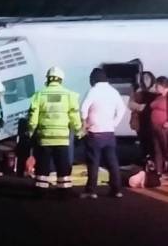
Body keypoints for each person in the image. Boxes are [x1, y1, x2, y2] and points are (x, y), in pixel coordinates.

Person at [28, 66, 83, 198]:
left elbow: (33, 116)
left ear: (47, 79)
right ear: (61, 79)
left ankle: (40, 191)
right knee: (63, 165)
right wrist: (78, 130)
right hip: (62, 138)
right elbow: (74, 116)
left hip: (44, 137)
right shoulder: (69, 95)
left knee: (43, 165)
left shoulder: (39, 95)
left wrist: (30, 131)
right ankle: (64, 191)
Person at [80, 68, 126, 199]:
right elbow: (121, 109)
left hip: (95, 133)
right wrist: (114, 123)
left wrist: (85, 123)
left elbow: (83, 108)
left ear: (93, 79)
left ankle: (91, 191)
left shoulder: (93, 91)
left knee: (93, 162)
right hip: (109, 132)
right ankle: (116, 190)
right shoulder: (113, 92)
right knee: (112, 162)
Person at [128, 71, 158, 165]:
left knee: (154, 143)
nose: (146, 81)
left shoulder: (156, 91)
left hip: (153, 121)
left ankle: (154, 161)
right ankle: (145, 160)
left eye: (148, 79)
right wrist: (140, 107)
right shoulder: (138, 91)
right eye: (144, 79)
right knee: (143, 142)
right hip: (141, 121)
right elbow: (130, 104)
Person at [150, 76, 168, 177]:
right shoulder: (158, 96)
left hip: (164, 128)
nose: (156, 87)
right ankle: (158, 172)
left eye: (157, 85)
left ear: (162, 85)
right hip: (155, 127)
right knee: (158, 150)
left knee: (166, 149)